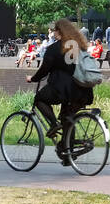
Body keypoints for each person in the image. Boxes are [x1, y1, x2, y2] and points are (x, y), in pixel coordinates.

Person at [26, 19, 94, 165]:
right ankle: (68, 155)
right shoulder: (78, 47)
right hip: (83, 90)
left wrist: (33, 78)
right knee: (68, 118)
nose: (53, 32)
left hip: (64, 89)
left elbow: (44, 70)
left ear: (59, 32)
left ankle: (53, 124)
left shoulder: (54, 49)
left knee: (39, 99)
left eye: (55, 30)